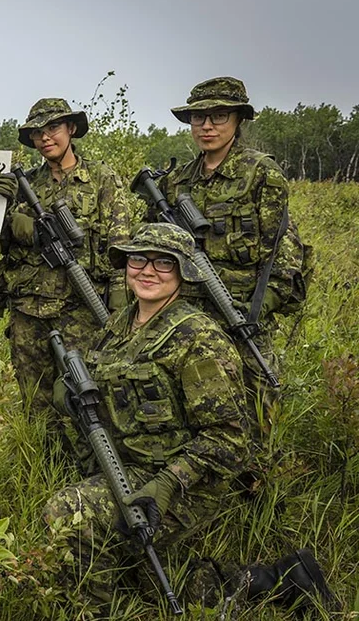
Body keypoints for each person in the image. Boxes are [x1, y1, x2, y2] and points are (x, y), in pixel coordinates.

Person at [42, 223, 332, 612]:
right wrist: (68, 391)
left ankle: (90, 611)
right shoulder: (120, 323)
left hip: (185, 482)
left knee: (70, 513)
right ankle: (275, 580)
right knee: (152, 579)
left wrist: (167, 483)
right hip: (129, 465)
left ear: (183, 272)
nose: (147, 271)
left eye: (163, 263)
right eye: (138, 259)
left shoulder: (198, 338)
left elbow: (230, 439)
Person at [157, 77, 308, 435]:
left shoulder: (261, 173)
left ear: (238, 120)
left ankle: (255, 484)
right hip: (187, 309)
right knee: (191, 404)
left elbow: (283, 252)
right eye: (198, 118)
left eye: (219, 116)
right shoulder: (177, 181)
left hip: (242, 310)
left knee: (256, 408)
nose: (206, 126)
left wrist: (259, 309)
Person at [0, 98, 133, 420]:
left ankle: (87, 466)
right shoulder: (25, 185)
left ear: (71, 129)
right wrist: (7, 214)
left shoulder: (101, 179)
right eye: (38, 132)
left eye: (53, 127)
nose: (45, 138)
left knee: (87, 397)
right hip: (29, 309)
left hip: (81, 310)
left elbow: (120, 246)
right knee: (35, 402)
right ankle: (44, 464)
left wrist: (120, 312)